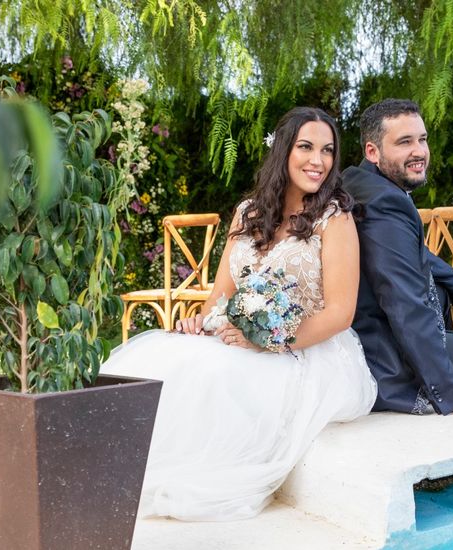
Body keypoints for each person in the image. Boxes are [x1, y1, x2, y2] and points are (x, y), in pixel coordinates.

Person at [100, 106, 377, 521]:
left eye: (327, 151)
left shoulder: (333, 219)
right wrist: (201, 322)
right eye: (305, 147)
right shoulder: (249, 213)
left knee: (218, 375)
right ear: (283, 150)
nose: (317, 161)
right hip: (239, 334)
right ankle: (111, 468)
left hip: (307, 347)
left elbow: (341, 312)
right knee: (157, 358)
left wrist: (267, 341)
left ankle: (173, 475)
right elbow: (219, 297)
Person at [342, 98, 453, 416]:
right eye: (404, 142)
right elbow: (405, 304)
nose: (419, 152)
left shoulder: (357, 181)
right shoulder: (386, 201)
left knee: (440, 294)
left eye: (422, 140)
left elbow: (408, 252)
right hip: (386, 360)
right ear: (373, 151)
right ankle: (429, 380)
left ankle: (440, 354)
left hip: (363, 337)